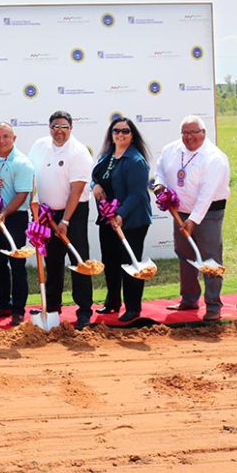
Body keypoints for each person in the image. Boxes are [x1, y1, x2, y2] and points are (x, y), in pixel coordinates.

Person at [153, 116, 231, 322]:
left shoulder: (214, 157)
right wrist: (160, 185)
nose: (189, 137)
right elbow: (159, 170)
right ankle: (189, 299)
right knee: (185, 254)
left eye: (194, 132)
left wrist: (193, 220)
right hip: (180, 212)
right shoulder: (171, 149)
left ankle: (214, 305)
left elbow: (206, 195)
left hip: (208, 214)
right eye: (185, 133)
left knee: (210, 257)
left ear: (204, 133)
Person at [27, 111, 95, 329]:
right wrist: (35, 208)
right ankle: (53, 306)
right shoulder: (39, 146)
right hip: (48, 214)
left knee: (78, 261)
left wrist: (65, 221)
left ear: (71, 128)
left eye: (64, 127)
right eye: (55, 126)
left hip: (73, 214)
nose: (59, 131)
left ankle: (84, 310)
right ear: (49, 128)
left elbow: (76, 192)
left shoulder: (79, 152)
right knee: (53, 262)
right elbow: (32, 177)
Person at [91, 117, 152, 324]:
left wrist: (120, 215)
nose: (120, 134)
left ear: (132, 134)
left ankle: (133, 308)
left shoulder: (136, 161)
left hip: (132, 220)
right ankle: (112, 302)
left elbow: (136, 194)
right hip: (107, 218)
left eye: (125, 131)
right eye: (116, 131)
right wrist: (94, 186)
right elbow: (96, 176)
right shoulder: (107, 156)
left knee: (130, 264)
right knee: (110, 261)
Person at [0, 123, 35, 326]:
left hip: (14, 218)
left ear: (14, 138)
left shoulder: (22, 163)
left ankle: (19, 310)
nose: (1, 141)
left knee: (17, 265)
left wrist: (3, 213)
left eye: (5, 137)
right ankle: (3, 304)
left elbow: (22, 194)